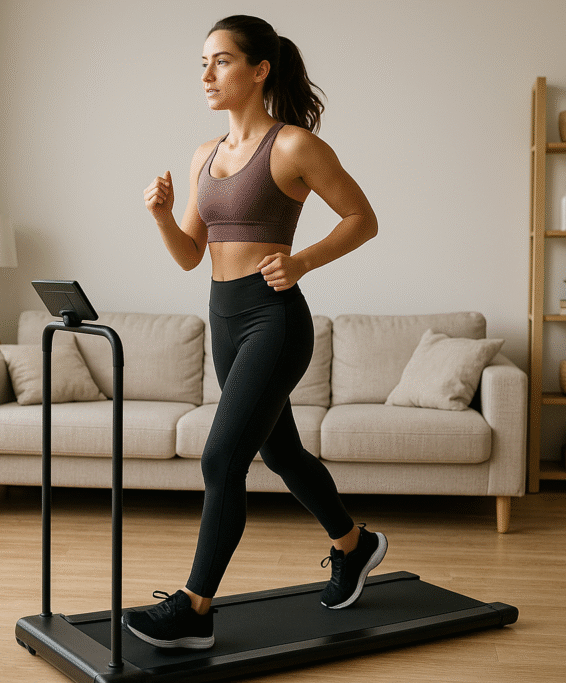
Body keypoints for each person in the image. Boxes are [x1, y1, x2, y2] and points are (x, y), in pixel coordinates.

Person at [123, 15, 384, 650]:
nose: (207, 75)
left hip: (274, 319)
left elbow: (362, 218)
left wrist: (301, 261)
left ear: (259, 70)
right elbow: (191, 253)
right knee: (282, 452)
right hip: (224, 315)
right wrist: (161, 216)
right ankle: (356, 543)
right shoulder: (204, 155)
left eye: (221, 61)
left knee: (221, 458)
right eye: (204, 64)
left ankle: (195, 609)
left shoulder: (293, 146)